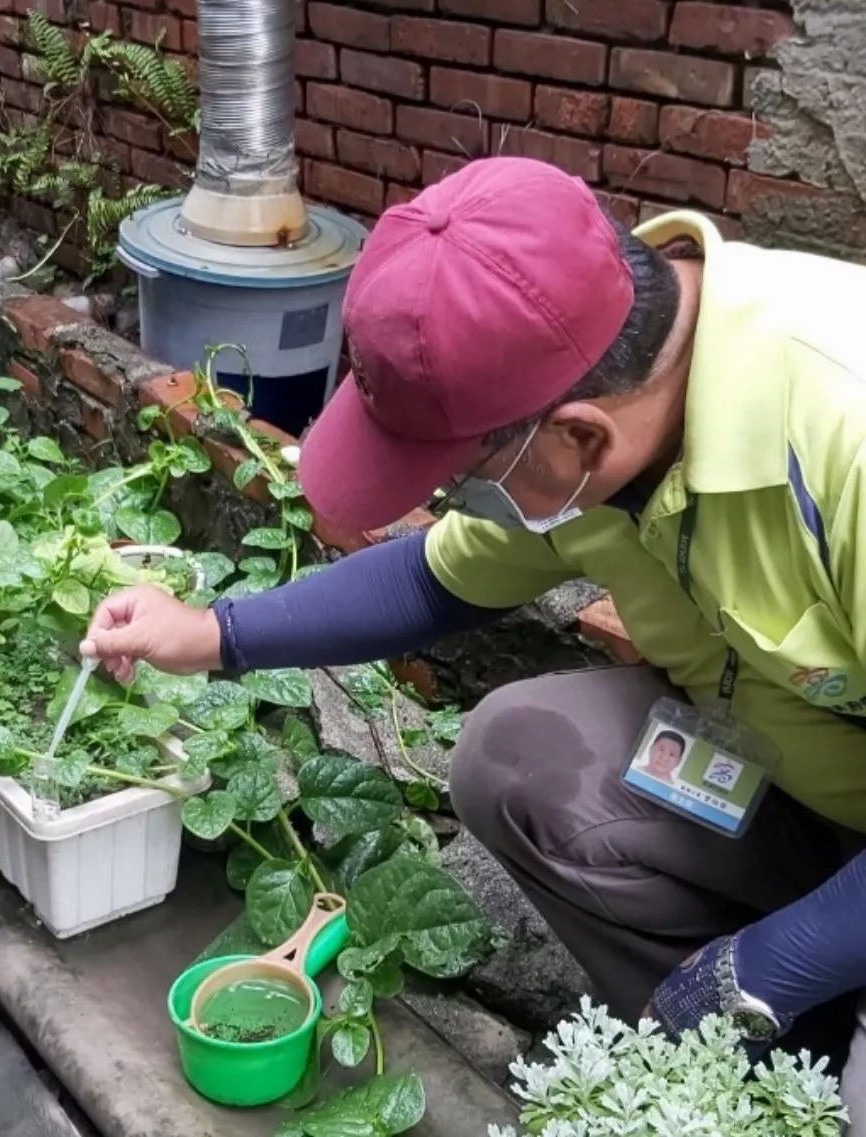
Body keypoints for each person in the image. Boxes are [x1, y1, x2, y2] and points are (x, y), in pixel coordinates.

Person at [83, 157, 866, 1123]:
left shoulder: (845, 432)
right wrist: (207, 632)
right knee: (520, 756)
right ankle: (769, 1073)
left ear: (580, 438)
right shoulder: (600, 404)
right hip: (799, 788)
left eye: (461, 481)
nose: (453, 504)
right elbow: (430, 579)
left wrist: (762, 971)